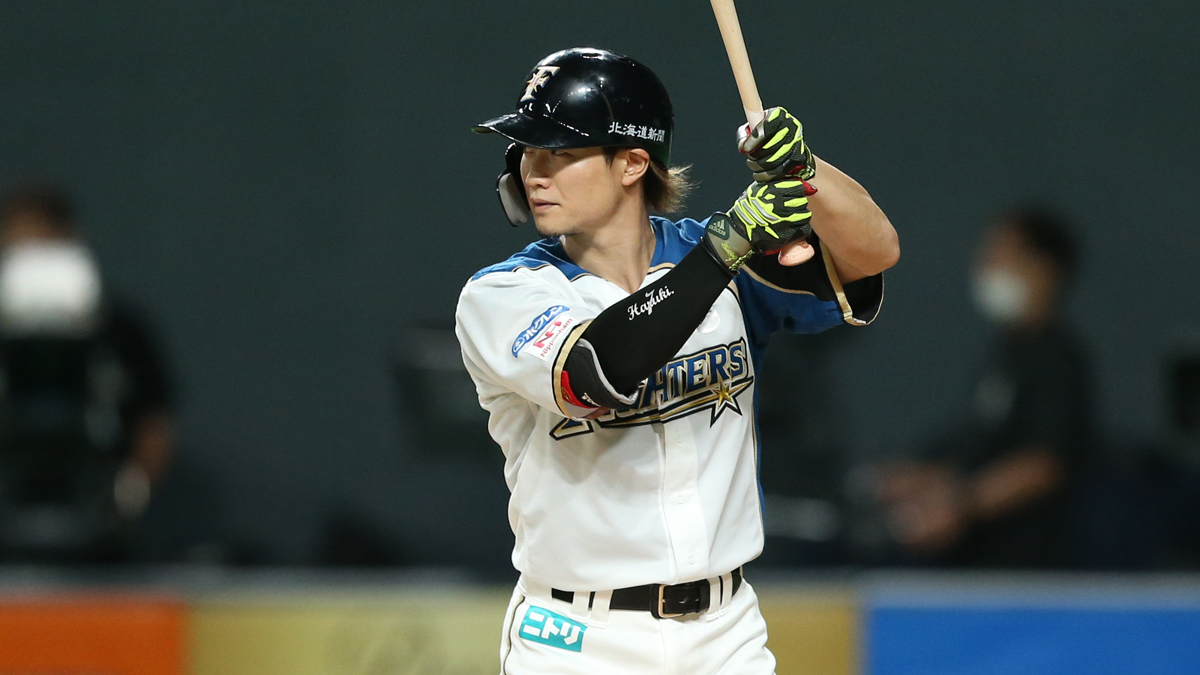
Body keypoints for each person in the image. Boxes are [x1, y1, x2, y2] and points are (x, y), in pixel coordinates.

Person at [455, 48, 897, 673]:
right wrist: (727, 246)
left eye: (560, 151)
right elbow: (593, 374)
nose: (535, 172)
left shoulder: (715, 258)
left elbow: (874, 254)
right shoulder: (504, 293)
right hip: (580, 636)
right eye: (528, 150)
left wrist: (804, 170)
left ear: (633, 163)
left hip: (725, 631)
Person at [878, 206, 1091, 567]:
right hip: (983, 558)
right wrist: (924, 479)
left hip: (1030, 565)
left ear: (1044, 267)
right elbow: (984, 445)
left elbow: (1043, 464)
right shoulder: (1008, 353)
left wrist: (956, 506)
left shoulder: (1058, 359)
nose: (988, 266)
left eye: (1002, 254)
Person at [0, 182, 174, 561]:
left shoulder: (120, 329)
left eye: (45, 243)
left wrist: (129, 497)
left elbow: (154, 423)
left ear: (70, 240)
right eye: (21, 244)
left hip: (98, 532)